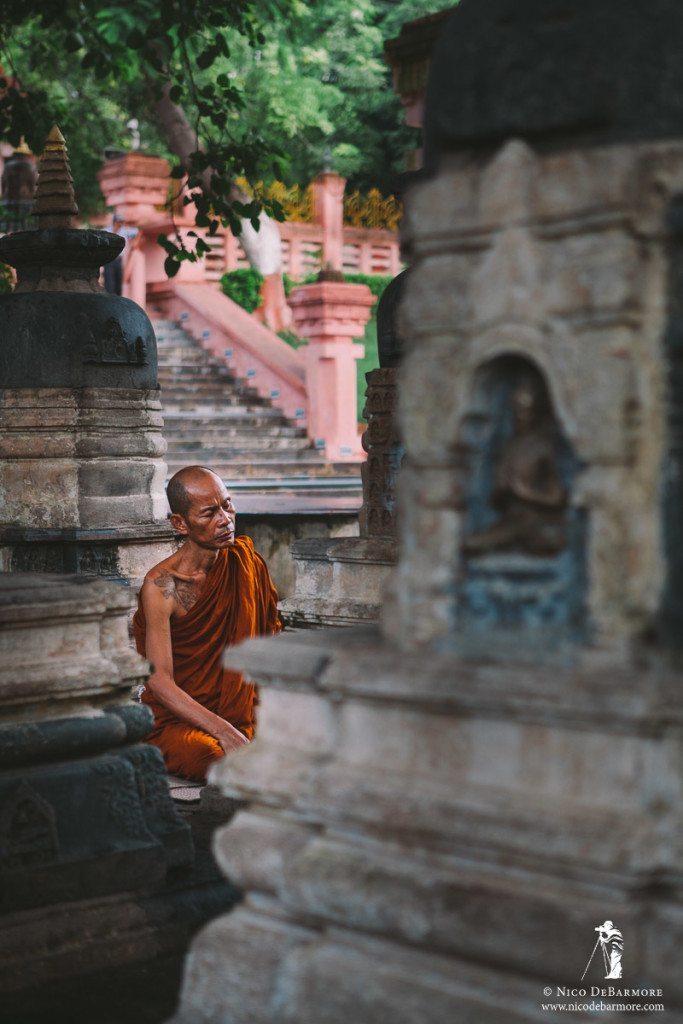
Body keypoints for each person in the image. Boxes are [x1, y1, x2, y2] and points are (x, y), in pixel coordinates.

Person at [132, 466, 280, 782]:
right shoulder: (162, 586)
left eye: (227, 505)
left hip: (243, 708)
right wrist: (223, 731)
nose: (225, 520)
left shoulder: (245, 561)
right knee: (213, 758)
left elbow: (269, 643)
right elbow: (159, 681)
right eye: (210, 513)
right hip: (182, 719)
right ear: (180, 523)